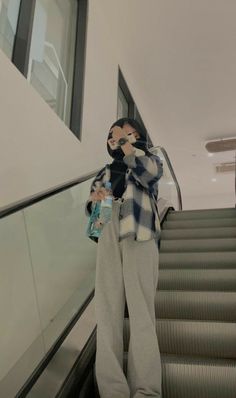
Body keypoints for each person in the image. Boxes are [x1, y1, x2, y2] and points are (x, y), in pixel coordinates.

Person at [86, 118, 163, 398]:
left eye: (124, 132)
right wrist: (97, 203)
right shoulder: (105, 171)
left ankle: (147, 391)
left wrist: (126, 146)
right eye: (112, 135)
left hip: (138, 232)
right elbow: (95, 218)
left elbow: (148, 175)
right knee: (106, 313)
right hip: (109, 231)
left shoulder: (149, 158)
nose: (116, 137)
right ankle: (112, 391)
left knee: (142, 313)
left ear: (137, 135)